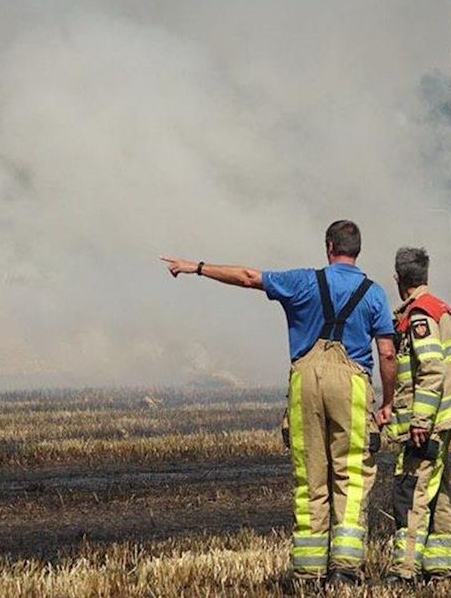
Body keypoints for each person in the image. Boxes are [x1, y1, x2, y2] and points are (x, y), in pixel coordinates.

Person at [161, 220, 397, 586]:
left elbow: (247, 277)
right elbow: (386, 352)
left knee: (310, 481)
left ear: (328, 246)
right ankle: (345, 572)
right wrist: (388, 401)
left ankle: (307, 572)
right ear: (358, 250)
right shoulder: (375, 293)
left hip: (304, 384)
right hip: (351, 384)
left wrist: (198, 267)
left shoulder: (303, 281)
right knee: (350, 478)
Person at [383, 246, 451, 585]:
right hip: (444, 418)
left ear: (398, 279)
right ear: (425, 274)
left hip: (429, 421)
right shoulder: (438, 308)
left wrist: (420, 421)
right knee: (435, 491)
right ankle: (439, 567)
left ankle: (404, 570)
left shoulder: (420, 315)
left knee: (410, 491)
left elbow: (432, 370)